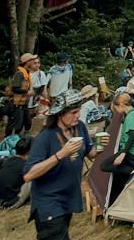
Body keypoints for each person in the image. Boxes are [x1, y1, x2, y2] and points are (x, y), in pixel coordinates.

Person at [22, 88, 99, 240]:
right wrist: (61, 154)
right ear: (60, 113)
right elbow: (28, 174)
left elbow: (90, 153)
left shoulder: (79, 127)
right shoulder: (46, 137)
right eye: (73, 112)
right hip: (49, 202)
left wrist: (101, 146)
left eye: (79, 111)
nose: (78, 115)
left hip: (68, 198)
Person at [99, 90, 134, 207]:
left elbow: (132, 135)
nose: (117, 112)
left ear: (121, 105)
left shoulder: (131, 116)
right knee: (119, 176)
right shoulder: (133, 113)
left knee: (105, 165)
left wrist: (123, 153)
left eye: (116, 108)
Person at [7, 52, 40, 137]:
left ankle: (20, 139)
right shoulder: (20, 74)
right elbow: (15, 88)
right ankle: (9, 140)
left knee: (27, 122)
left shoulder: (26, 73)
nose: (33, 61)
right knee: (16, 124)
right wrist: (27, 92)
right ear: (27, 62)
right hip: (17, 104)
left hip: (23, 103)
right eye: (32, 60)